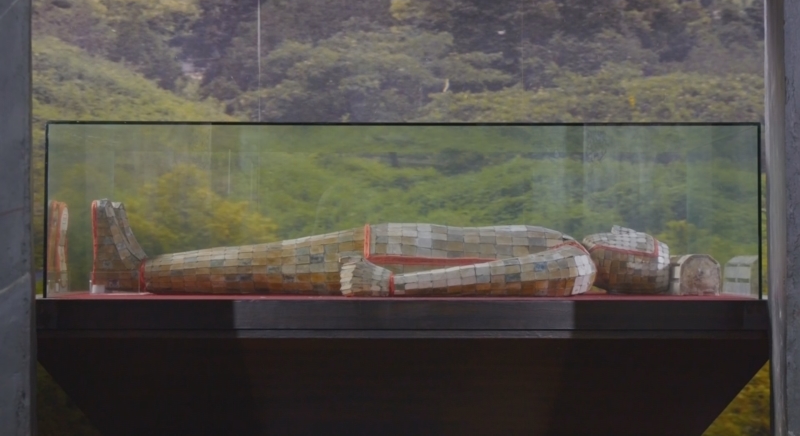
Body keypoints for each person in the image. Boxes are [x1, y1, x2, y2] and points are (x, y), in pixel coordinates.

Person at [90, 199, 597, 297]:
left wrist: (394, 284)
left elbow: (492, 277)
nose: (623, 232)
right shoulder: (571, 249)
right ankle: (134, 271)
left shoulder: (577, 264)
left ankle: (132, 273)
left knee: (255, 264)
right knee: (255, 260)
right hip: (385, 246)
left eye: (632, 239)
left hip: (381, 259)